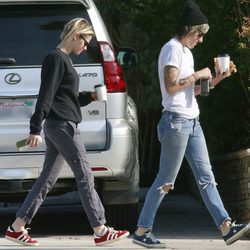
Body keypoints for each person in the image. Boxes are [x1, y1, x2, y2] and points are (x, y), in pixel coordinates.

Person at [132, 0, 250, 248]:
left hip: (192, 122)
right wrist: (198, 74)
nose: (201, 40)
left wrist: (217, 78)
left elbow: (191, 91)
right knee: (166, 179)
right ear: (188, 29)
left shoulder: (187, 52)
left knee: (207, 177)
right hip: (175, 122)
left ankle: (226, 227)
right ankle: (143, 230)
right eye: (199, 34)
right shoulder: (172, 49)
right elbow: (172, 87)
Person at [4, 18, 129, 247]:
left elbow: (65, 98)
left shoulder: (64, 61)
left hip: (63, 124)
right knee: (84, 174)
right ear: (75, 35)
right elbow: (46, 94)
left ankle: (16, 227)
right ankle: (100, 229)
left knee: (46, 180)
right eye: (85, 42)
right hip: (62, 126)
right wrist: (35, 127)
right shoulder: (56, 58)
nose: (85, 48)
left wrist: (88, 97)